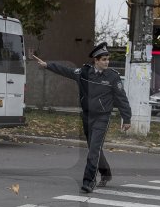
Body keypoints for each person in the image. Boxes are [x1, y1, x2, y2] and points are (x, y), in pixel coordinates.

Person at [32, 42, 131, 193]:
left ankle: (88, 181)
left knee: (94, 150)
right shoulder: (84, 73)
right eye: (103, 59)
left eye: (107, 59)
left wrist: (127, 118)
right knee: (94, 148)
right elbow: (67, 71)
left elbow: (121, 98)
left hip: (102, 118)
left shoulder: (113, 77)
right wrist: (47, 65)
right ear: (96, 60)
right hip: (87, 116)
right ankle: (106, 173)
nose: (106, 62)